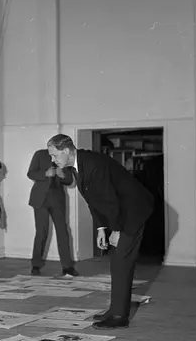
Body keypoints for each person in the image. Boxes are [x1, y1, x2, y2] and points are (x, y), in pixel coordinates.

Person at [47, 134, 154, 329]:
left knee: (121, 262)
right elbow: (93, 200)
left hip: (133, 211)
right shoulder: (78, 166)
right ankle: (115, 310)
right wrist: (101, 228)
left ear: (67, 151)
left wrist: (117, 229)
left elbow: (110, 199)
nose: (53, 160)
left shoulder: (93, 164)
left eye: (54, 155)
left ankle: (119, 317)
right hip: (121, 211)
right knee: (118, 263)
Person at [28, 148, 78, 279]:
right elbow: (31, 173)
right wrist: (45, 173)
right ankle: (35, 265)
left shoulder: (64, 156)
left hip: (57, 200)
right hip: (40, 199)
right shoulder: (40, 154)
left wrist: (63, 176)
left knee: (63, 232)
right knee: (41, 232)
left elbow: (70, 180)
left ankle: (68, 267)